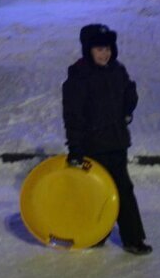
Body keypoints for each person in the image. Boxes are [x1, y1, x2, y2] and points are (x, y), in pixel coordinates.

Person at [62, 23, 151, 255]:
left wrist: (129, 103)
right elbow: (73, 116)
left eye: (108, 49)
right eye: (99, 49)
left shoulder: (117, 70)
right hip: (92, 146)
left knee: (123, 191)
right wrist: (75, 148)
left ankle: (133, 239)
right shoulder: (79, 75)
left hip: (116, 142)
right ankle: (96, 233)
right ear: (88, 50)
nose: (105, 54)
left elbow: (128, 94)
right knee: (94, 193)